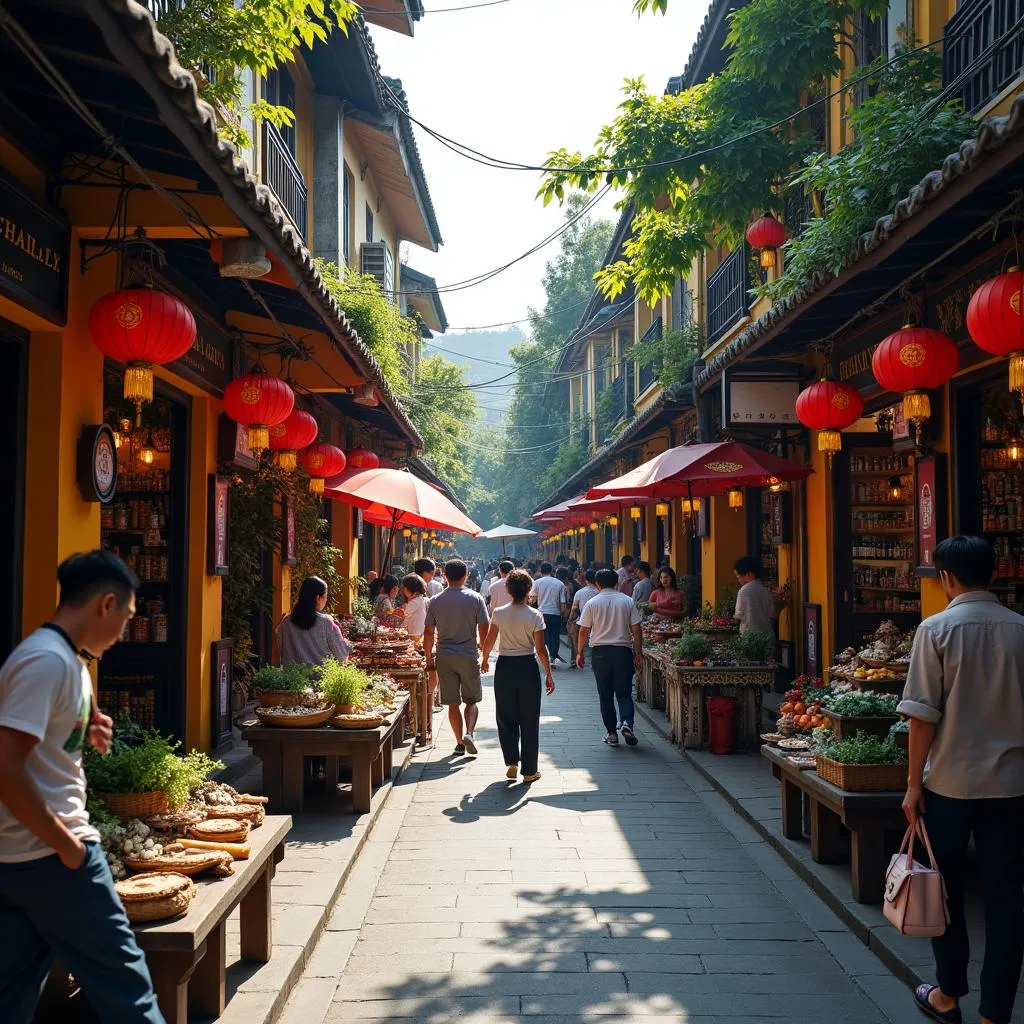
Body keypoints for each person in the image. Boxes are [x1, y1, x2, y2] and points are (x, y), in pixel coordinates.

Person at [0, 551, 164, 1024]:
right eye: (127, 618)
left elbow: (38, 749)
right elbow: (7, 768)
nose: (124, 632)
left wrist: (87, 728)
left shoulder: (63, 660)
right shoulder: (45, 662)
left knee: (9, 995)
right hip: (53, 856)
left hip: (23, 861)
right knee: (127, 988)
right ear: (105, 604)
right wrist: (68, 847)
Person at [899, 536, 1024, 1024]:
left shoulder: (936, 630)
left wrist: (913, 784)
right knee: (1007, 897)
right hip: (1013, 786)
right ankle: (996, 1013)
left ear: (946, 577)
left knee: (943, 890)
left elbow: (921, 718)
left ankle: (949, 994)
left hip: (949, 784)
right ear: (994, 574)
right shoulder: (1020, 629)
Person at [480, 569, 555, 784]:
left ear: (508, 589)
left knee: (505, 716)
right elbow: (541, 650)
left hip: (505, 667)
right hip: (528, 667)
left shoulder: (499, 612)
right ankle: (529, 770)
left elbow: (490, 639)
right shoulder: (535, 615)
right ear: (528, 589)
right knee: (529, 719)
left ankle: (512, 762)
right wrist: (548, 674)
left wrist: (484, 659)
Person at [423, 560, 490, 757]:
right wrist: (484, 654)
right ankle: (469, 733)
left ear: (444, 576)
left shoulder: (435, 600)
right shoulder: (475, 598)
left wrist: (428, 658)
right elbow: (484, 627)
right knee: (471, 700)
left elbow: (428, 632)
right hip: (468, 654)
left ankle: (459, 743)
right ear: (466, 576)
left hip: (444, 655)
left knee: (453, 703)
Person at [577, 568, 643, 748]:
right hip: (623, 652)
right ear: (617, 583)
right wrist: (638, 653)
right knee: (624, 692)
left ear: (597, 584)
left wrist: (579, 652)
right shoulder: (627, 601)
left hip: (601, 654)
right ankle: (627, 722)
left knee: (605, 695)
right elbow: (636, 629)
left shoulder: (592, 603)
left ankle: (612, 734)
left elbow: (583, 630)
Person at [276, 575, 350, 667]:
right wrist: (345, 642)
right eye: (325, 597)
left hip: (292, 679)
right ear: (318, 598)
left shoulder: (286, 623)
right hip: (322, 680)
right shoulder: (326, 622)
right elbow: (342, 657)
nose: (326, 600)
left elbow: (279, 649)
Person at [532, 562, 568, 666]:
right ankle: (552, 655)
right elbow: (563, 603)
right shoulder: (559, 583)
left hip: (541, 613)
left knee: (542, 635)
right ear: (552, 570)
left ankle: (545, 656)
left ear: (540, 570)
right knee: (554, 635)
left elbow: (533, 599)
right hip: (555, 613)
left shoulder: (537, 582)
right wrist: (561, 613)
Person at [733, 556, 775, 635]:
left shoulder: (743, 591)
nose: (738, 580)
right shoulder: (765, 591)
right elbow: (771, 614)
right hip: (766, 634)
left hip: (750, 636)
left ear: (748, 574)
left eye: (738, 576)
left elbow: (738, 615)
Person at [567, 569, 599, 669]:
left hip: (582, 622)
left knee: (575, 639)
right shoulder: (599, 592)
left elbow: (575, 609)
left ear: (585, 579)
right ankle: (596, 662)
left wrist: (570, 619)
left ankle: (576, 659)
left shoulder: (580, 593)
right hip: (598, 622)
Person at [400, 574, 430, 640]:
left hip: (415, 633)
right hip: (419, 632)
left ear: (408, 589)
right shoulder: (421, 598)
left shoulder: (414, 601)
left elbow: (405, 616)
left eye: (404, 587)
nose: (404, 590)